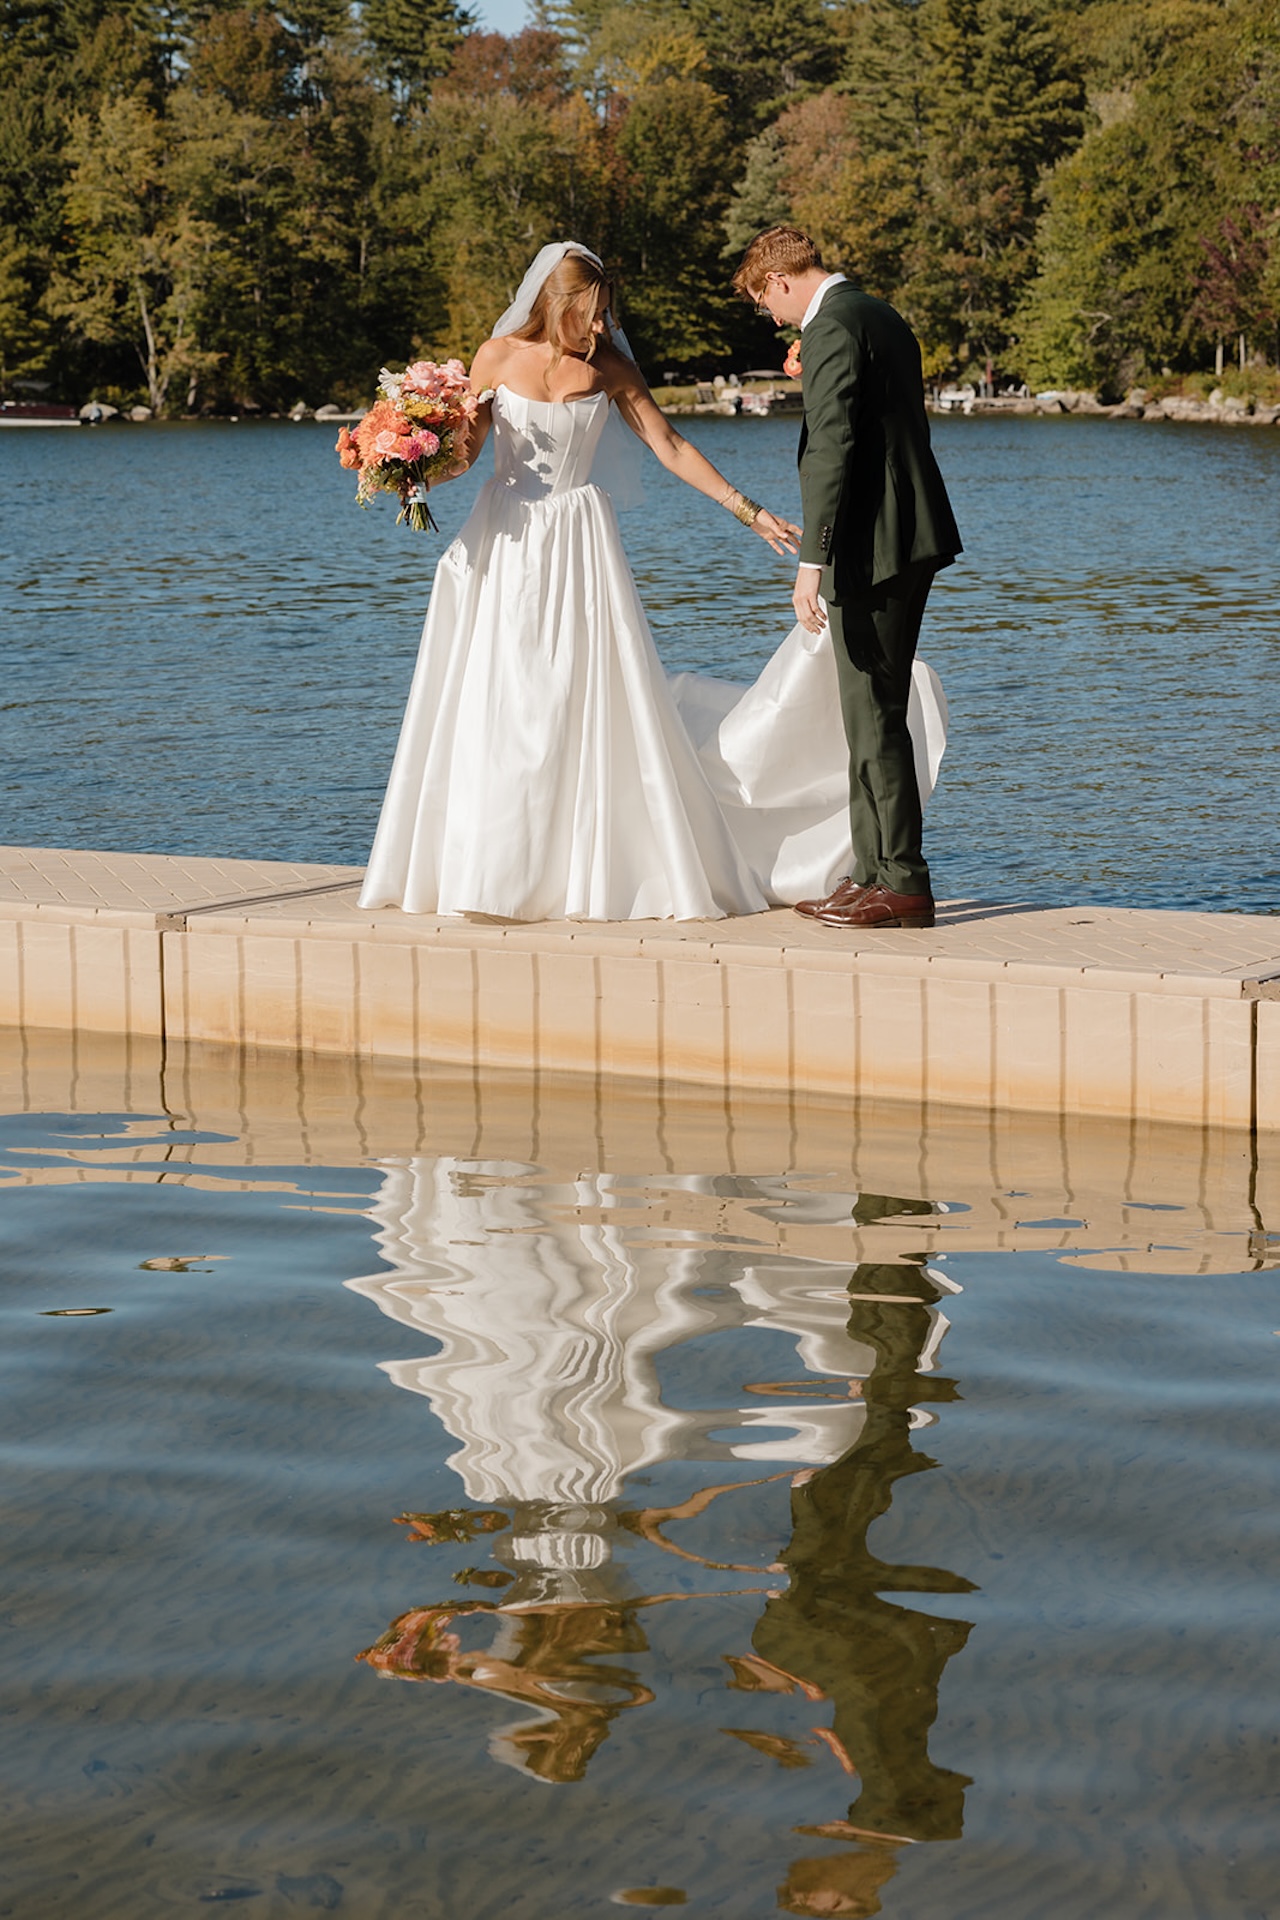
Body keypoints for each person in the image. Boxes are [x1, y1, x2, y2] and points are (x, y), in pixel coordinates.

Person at [358, 241, 947, 923]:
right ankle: (486, 868)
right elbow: (466, 456)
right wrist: (408, 462)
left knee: (574, 697)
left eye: (608, 313)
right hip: (504, 537)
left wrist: (748, 511)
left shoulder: (609, 366)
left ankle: (581, 870)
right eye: (594, 313)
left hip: (578, 543)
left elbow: (670, 446)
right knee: (499, 697)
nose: (602, 326)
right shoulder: (494, 359)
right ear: (562, 304)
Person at [733, 228, 962, 930]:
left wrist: (813, 562)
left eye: (764, 303)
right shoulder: (874, 313)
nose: (772, 320)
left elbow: (833, 446)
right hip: (904, 531)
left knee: (874, 712)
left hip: (875, 543)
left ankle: (901, 883)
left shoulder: (833, 324)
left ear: (779, 280)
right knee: (868, 711)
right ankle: (873, 873)